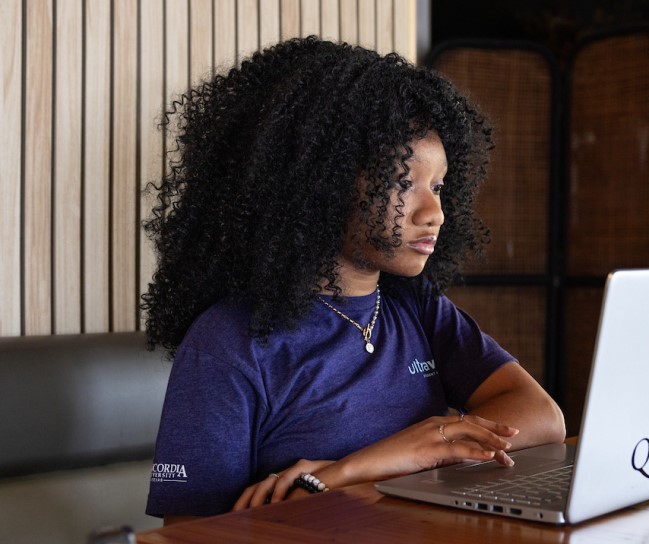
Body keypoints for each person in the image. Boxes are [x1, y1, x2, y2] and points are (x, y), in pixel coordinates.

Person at [142, 36, 565, 525]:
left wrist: (390, 457)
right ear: (322, 181)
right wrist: (364, 469)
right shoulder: (230, 342)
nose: (435, 213)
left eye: (439, 186)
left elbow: (542, 416)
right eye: (404, 183)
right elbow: (189, 537)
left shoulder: (414, 305)